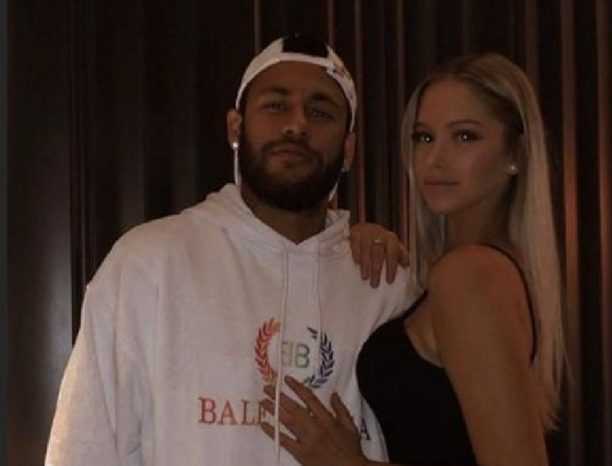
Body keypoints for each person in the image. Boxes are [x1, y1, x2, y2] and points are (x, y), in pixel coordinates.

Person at [45, 34, 418, 466]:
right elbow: (85, 448)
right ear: (235, 128)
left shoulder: (385, 281)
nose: (296, 125)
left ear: (349, 149)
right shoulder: (148, 264)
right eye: (276, 105)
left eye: (320, 112)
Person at [258, 53, 564, 466]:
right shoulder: (476, 270)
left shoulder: (469, 274)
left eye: (465, 137)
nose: (436, 159)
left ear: (516, 155)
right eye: (424, 137)